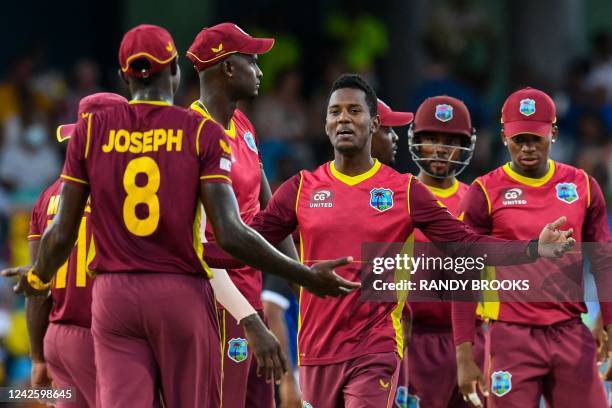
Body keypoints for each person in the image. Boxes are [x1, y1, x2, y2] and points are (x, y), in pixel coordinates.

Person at [1, 25, 358, 408]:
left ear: (125, 76)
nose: (259, 69)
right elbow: (229, 235)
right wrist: (302, 276)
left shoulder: (86, 145)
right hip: (184, 292)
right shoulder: (198, 131)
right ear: (173, 70)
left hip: (106, 305)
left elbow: (60, 235)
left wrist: (37, 282)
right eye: (251, 60)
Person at [215, 73, 575, 407]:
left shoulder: (405, 192)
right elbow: (246, 243)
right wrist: (193, 253)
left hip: (377, 348)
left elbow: (466, 245)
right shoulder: (301, 188)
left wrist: (532, 248)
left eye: (354, 111)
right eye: (335, 112)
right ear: (325, 124)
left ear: (373, 123)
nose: (343, 119)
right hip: (316, 351)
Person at [453, 87, 612, 407]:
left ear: (552, 133)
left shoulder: (583, 186)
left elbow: (604, 262)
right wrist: (464, 354)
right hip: (510, 338)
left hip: (569, 332)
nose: (526, 147)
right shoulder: (484, 191)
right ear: (503, 137)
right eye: (518, 138)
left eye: (535, 138)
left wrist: (609, 322)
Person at [186, 22, 299, 407]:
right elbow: (198, 247)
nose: (261, 71)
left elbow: (273, 213)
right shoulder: (190, 134)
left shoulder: (243, 125)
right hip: (214, 298)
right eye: (252, 60)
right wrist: (250, 319)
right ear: (228, 68)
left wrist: (299, 279)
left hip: (250, 292)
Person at [26, 93, 127, 408]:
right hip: (103, 341)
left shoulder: (48, 197)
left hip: (59, 338)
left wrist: (37, 357)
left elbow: (36, 288)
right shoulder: (131, 192)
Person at [401, 95, 483, 408]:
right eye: (431, 139)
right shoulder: (397, 195)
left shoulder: (476, 198)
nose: (440, 148)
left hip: (470, 339)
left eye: (450, 140)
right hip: (415, 341)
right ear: (415, 142)